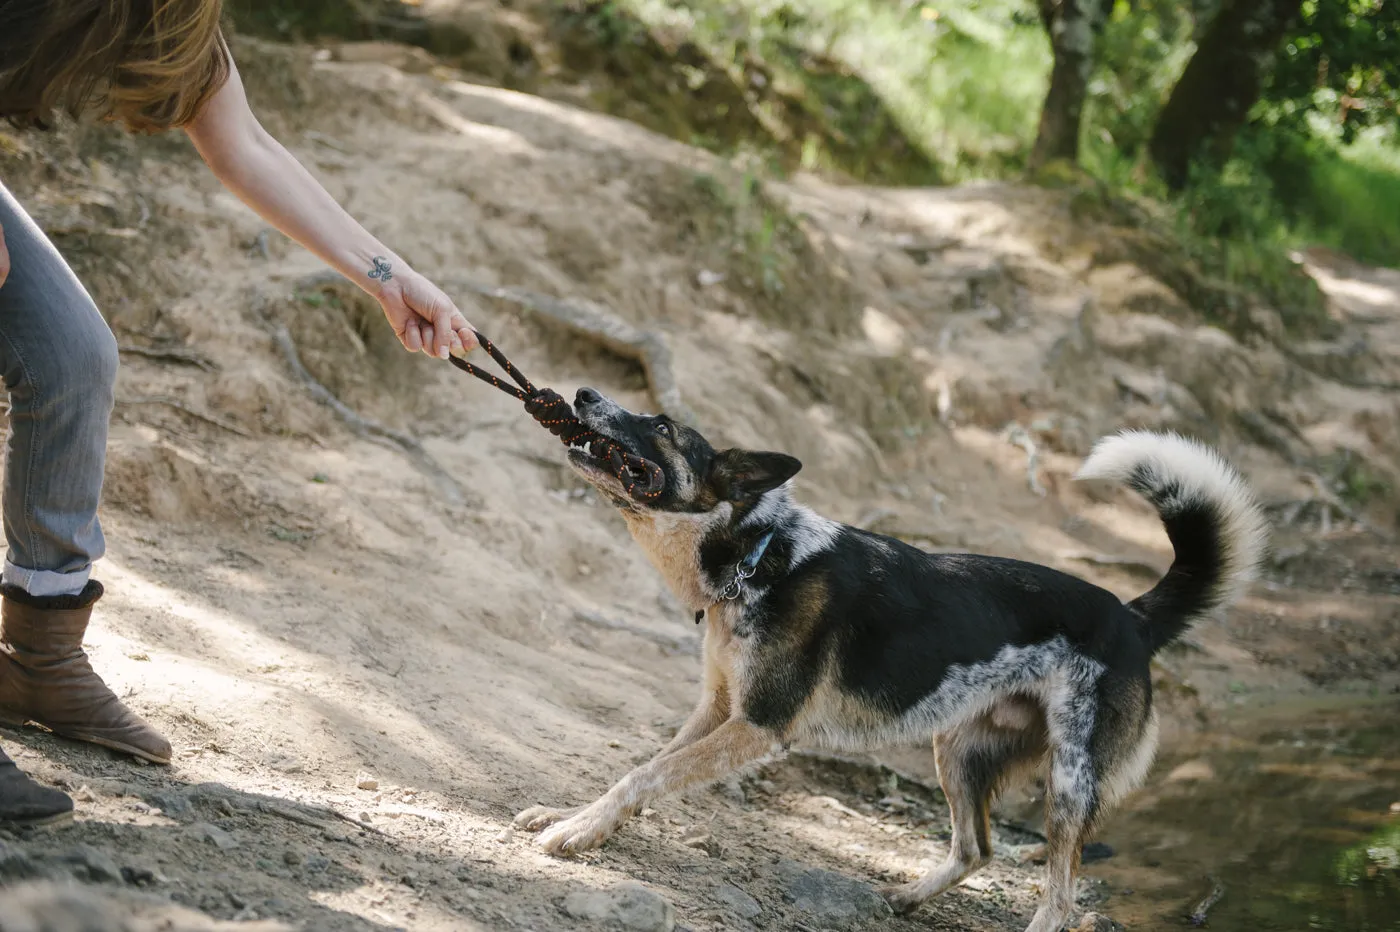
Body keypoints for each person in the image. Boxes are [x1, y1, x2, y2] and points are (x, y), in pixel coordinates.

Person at [0, 0, 480, 825]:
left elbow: (245, 143)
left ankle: (37, 651)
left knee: (72, 358)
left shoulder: (173, 12)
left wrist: (389, 276)